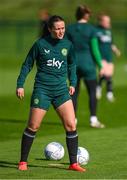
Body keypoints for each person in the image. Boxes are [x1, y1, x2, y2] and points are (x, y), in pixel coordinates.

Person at [16, 15, 85, 172]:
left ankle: (73, 163)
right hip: (43, 90)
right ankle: (23, 162)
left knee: (71, 125)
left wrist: (73, 83)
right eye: (58, 28)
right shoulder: (40, 44)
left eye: (63, 28)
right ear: (50, 29)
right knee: (33, 126)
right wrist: (20, 84)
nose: (61, 31)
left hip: (61, 91)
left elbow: (72, 65)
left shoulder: (68, 45)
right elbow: (27, 64)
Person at [66, 5, 105, 128]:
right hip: (88, 65)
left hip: (73, 65)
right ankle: (93, 119)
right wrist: (100, 65)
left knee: (74, 93)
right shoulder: (91, 29)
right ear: (87, 15)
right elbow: (95, 50)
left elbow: (65, 47)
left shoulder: (69, 29)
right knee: (92, 92)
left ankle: (73, 119)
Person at [96, 14, 121, 102]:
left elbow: (111, 44)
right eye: (106, 21)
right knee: (105, 74)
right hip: (101, 57)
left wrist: (116, 50)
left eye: (108, 21)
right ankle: (109, 93)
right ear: (101, 21)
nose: (108, 23)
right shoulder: (96, 31)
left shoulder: (108, 31)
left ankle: (100, 88)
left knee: (108, 75)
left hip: (109, 56)